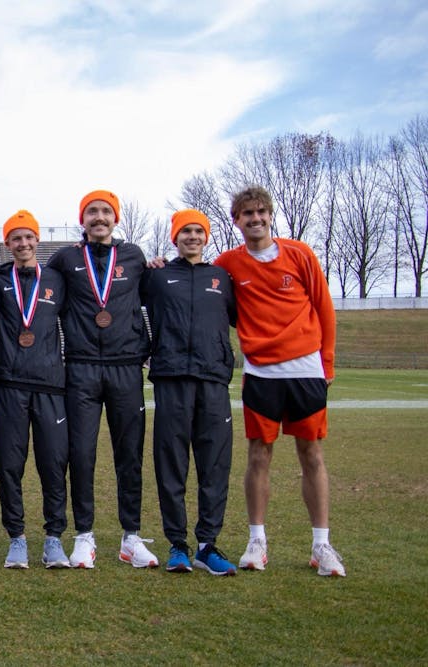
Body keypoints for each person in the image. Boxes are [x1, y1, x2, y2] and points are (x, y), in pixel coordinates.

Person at [214, 186, 345, 577]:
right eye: (246, 214)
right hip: (260, 374)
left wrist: (328, 365)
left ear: (271, 215)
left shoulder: (300, 254)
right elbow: (212, 297)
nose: (255, 219)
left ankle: (321, 545)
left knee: (312, 455)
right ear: (236, 221)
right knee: (258, 455)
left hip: (305, 372)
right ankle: (257, 541)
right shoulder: (228, 264)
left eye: (261, 212)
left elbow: (324, 308)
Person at [47, 189, 158, 569]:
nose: (99, 217)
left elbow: (152, 298)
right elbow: (37, 289)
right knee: (81, 453)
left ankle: (131, 537)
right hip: (80, 367)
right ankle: (84, 536)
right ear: (83, 219)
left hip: (126, 366)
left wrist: (162, 266)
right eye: (92, 211)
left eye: (105, 211)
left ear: (116, 218)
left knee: (129, 454)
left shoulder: (134, 257)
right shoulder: (64, 259)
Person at [141, 209, 238, 576]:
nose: (192, 237)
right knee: (172, 465)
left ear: (207, 237)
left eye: (198, 231)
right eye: (186, 231)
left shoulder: (221, 278)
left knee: (214, 465)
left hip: (213, 381)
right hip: (171, 380)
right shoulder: (158, 277)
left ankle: (207, 544)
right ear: (175, 237)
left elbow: (243, 316)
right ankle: (177, 545)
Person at [0, 211, 71, 569]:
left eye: (28, 237)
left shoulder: (58, 279)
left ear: (37, 241)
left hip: (51, 386)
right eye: (16, 238)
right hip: (9, 385)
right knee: (9, 465)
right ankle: (16, 538)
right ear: (8, 244)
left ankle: (54, 539)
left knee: (53, 465)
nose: (23, 244)